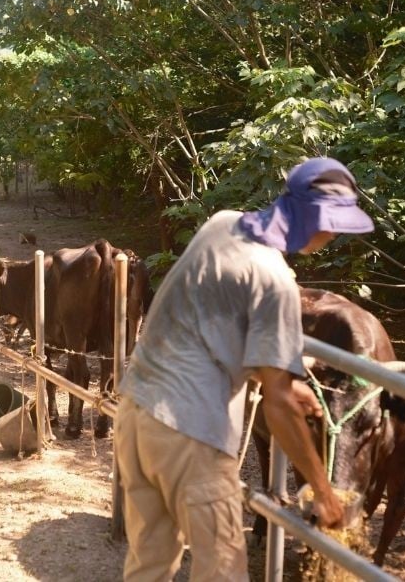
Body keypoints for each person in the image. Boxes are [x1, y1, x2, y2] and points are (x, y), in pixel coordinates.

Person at [114, 157, 375, 581]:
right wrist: (324, 494)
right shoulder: (276, 281)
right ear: (315, 217)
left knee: (150, 564)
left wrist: (286, 384)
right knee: (223, 572)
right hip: (189, 432)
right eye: (333, 225)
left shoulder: (222, 223)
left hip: (137, 409)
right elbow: (279, 408)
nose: (334, 236)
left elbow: (214, 324)